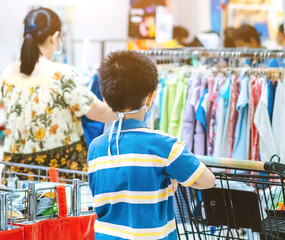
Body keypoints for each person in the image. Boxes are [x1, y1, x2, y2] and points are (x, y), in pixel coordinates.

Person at [89, 51, 215, 239]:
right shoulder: (164, 145)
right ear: (150, 98)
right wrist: (174, 178)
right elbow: (207, 180)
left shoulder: (96, 147)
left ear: (106, 99)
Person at [1, 8, 116, 176]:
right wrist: (135, 102)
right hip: (59, 171)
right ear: (54, 38)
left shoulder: (8, 73)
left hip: (16, 172)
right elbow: (101, 113)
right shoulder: (62, 74)